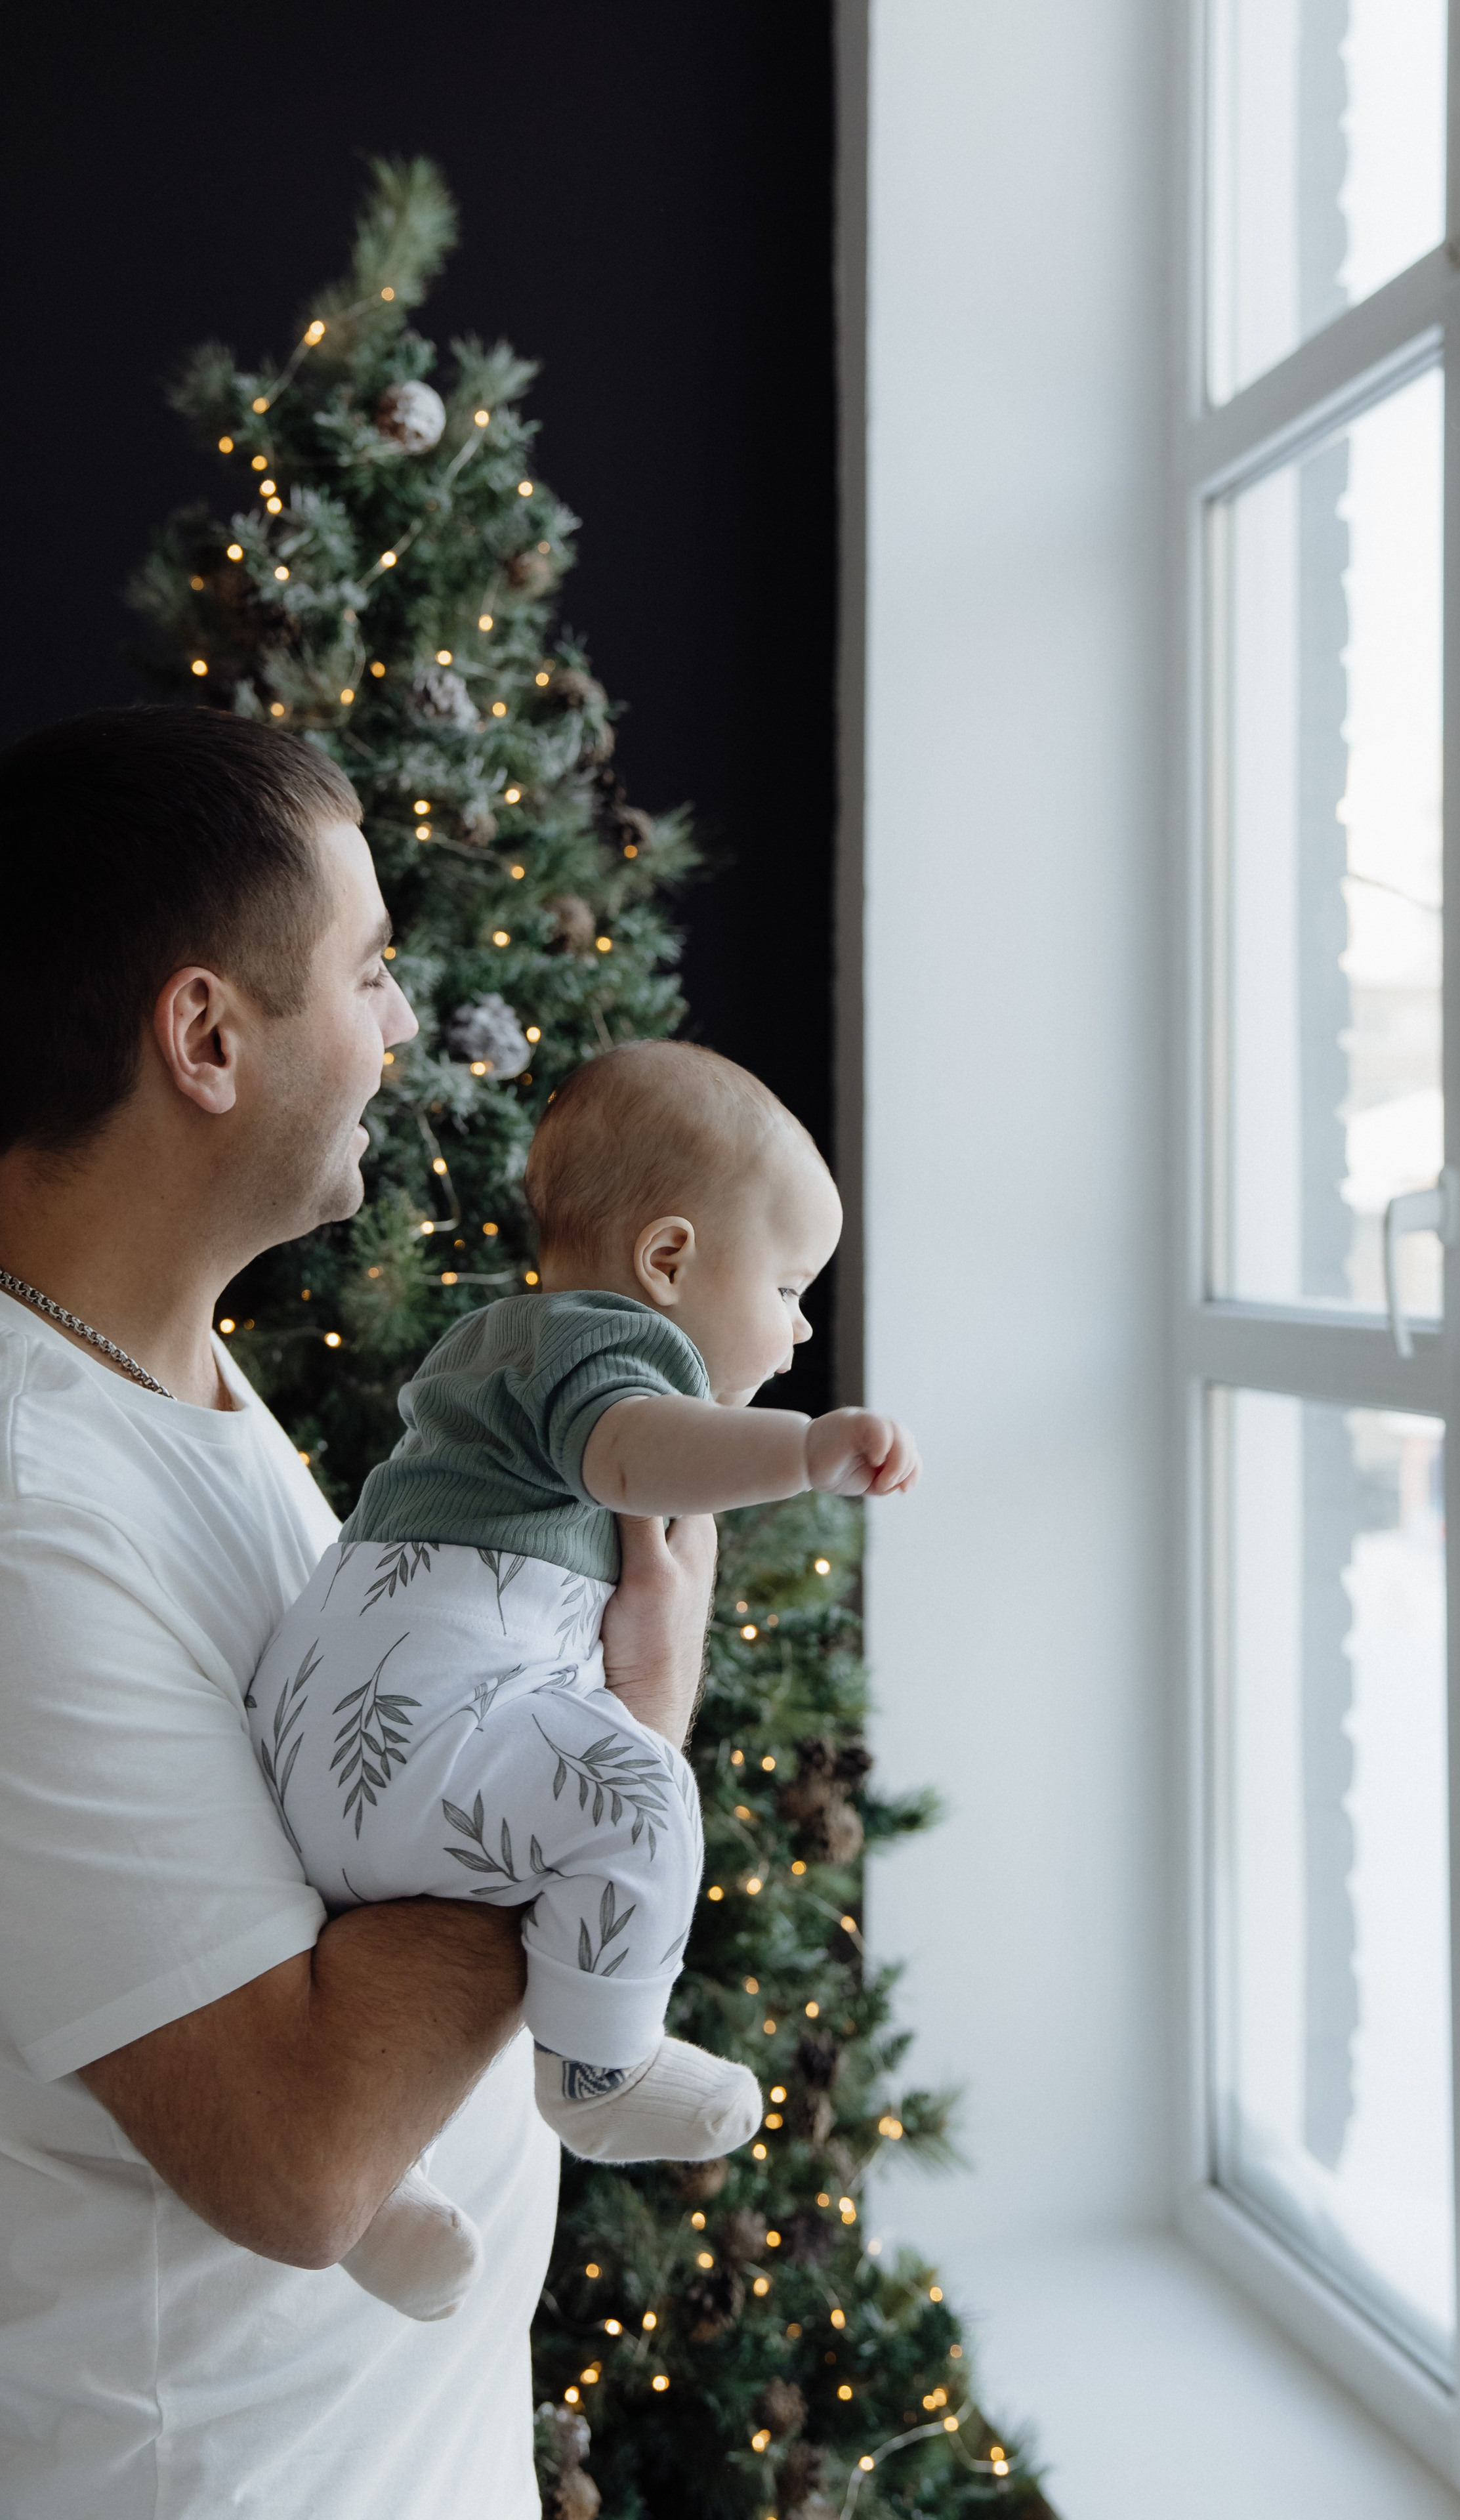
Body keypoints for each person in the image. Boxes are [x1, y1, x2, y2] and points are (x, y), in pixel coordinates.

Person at [0, 706, 717, 2520]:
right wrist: (603, 1755)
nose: (406, 1029)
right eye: (374, 971)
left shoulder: (174, 1386)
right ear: (207, 1038)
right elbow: (302, 2157)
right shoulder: (28, 1519)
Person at [249, 1042, 918, 2320]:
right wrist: (806, 1451)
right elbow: (634, 1462)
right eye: (784, 1286)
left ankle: (385, 2207)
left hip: (327, 1743)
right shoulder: (601, 1345)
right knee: (640, 1796)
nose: (798, 1325)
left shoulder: (495, 1343)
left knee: (365, 1939)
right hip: (429, 1720)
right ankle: (598, 2077)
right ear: (666, 1264)